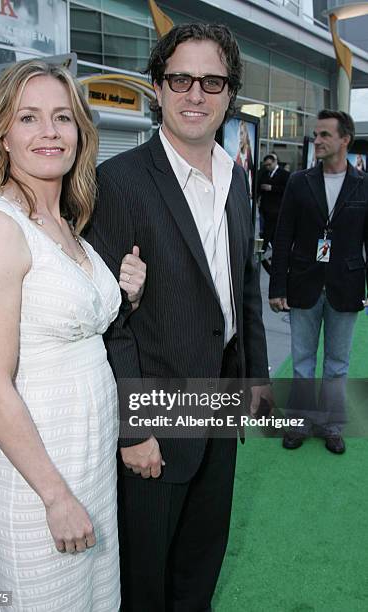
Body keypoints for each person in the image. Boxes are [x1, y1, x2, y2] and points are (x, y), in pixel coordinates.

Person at [86, 23, 271, 612]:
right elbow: (111, 323)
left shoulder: (236, 180)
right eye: (180, 79)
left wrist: (255, 382)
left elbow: (244, 290)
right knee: (147, 578)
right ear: (157, 88)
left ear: (229, 93)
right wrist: (133, 428)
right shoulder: (118, 183)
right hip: (157, 412)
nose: (196, 93)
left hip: (221, 397)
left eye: (211, 81)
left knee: (201, 561)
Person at [0, 59, 146, 611]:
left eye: (62, 118)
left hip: (89, 466)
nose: (49, 132)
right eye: (29, 118)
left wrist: (125, 294)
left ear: (79, 134)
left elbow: (73, 324)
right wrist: (55, 496)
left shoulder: (67, 224)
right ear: (2, 137)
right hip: (40, 482)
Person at [269, 109, 368, 455]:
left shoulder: (363, 185)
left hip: (347, 286)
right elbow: (283, 237)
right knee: (302, 362)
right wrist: (277, 287)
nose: (318, 141)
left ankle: (331, 426)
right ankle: (299, 422)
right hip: (303, 284)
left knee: (338, 364)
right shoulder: (299, 181)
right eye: (316, 135)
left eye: (325, 135)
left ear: (345, 139)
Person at [258, 154, 289, 273]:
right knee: (272, 234)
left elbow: (287, 190)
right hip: (266, 209)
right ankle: (274, 254)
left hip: (277, 210)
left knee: (269, 232)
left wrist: (272, 188)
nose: (268, 167)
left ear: (275, 162)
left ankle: (263, 251)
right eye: (266, 165)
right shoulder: (265, 173)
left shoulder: (284, 174)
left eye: (269, 164)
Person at [235, 119, 253, 192]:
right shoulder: (239, 153)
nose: (240, 137)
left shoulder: (248, 151)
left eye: (242, 133)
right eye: (239, 134)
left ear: (246, 134)